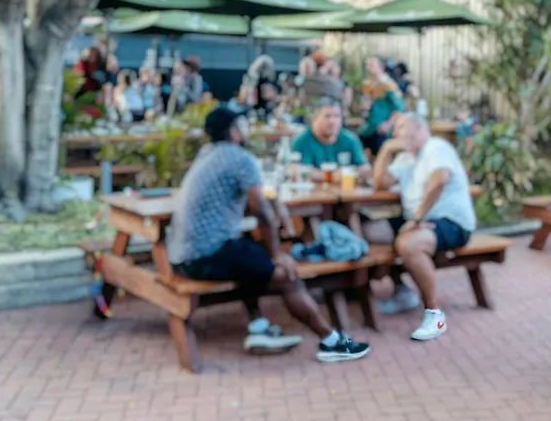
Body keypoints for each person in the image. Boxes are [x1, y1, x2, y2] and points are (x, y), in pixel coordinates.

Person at [166, 105, 370, 362]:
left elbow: (257, 200)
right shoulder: (240, 158)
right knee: (285, 273)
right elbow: (261, 212)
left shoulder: (208, 153)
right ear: (233, 131)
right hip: (204, 255)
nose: (247, 129)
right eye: (243, 124)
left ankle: (259, 328)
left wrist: (275, 208)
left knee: (252, 255)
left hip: (182, 253)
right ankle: (331, 341)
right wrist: (276, 255)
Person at [371, 112, 476, 341]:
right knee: (367, 232)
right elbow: (380, 183)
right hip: (419, 218)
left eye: (401, 128)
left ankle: (434, 315)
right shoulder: (406, 157)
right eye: (395, 130)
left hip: (451, 221)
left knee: (409, 245)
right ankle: (401, 291)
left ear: (419, 128)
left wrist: (416, 220)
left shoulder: (435, 147)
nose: (396, 133)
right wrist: (386, 150)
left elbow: (439, 180)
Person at [291, 99, 371, 182]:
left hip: (344, 189)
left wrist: (350, 172)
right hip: (313, 189)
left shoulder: (350, 139)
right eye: (327, 116)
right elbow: (294, 170)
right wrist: (330, 176)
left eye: (337, 116)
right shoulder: (302, 140)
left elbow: (365, 168)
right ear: (315, 118)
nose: (332, 121)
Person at [359, 56, 404, 155]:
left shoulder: (389, 85)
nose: (368, 67)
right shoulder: (366, 85)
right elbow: (364, 104)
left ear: (381, 66)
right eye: (367, 65)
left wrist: (388, 124)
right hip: (367, 127)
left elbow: (399, 109)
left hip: (382, 129)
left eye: (371, 65)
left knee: (380, 156)